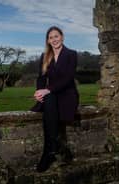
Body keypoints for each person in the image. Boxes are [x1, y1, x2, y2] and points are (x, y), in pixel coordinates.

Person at [31, 26, 79, 172]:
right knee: (49, 100)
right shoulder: (45, 56)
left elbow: (68, 78)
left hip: (67, 94)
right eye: (51, 37)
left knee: (49, 100)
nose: (54, 39)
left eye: (56, 36)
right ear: (48, 40)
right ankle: (52, 150)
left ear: (62, 37)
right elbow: (41, 78)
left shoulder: (71, 54)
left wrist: (47, 90)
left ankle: (48, 152)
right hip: (51, 94)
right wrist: (39, 92)